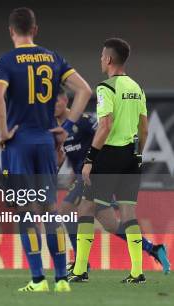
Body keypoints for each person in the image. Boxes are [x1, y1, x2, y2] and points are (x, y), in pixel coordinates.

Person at [0, 7, 92, 292]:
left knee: (25, 211)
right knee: (49, 210)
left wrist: (3, 131)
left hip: (19, 143)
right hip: (47, 141)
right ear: (35, 29)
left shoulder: (6, 61)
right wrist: (68, 127)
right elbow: (84, 90)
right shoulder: (54, 58)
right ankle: (61, 279)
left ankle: (38, 279)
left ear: (11, 31)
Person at [55, 91, 170, 279]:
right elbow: (69, 153)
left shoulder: (83, 121)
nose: (52, 105)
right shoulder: (56, 128)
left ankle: (81, 264)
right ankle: (154, 249)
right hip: (82, 178)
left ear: (66, 100)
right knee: (111, 225)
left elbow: (105, 136)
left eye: (56, 99)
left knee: (66, 208)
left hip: (95, 175)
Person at [69, 38, 150, 284]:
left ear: (109, 59)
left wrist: (90, 158)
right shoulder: (137, 88)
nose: (101, 59)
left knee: (85, 208)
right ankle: (137, 272)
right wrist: (138, 154)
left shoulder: (106, 88)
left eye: (102, 56)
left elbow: (105, 126)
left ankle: (80, 269)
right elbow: (144, 128)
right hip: (131, 155)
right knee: (128, 212)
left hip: (109, 156)